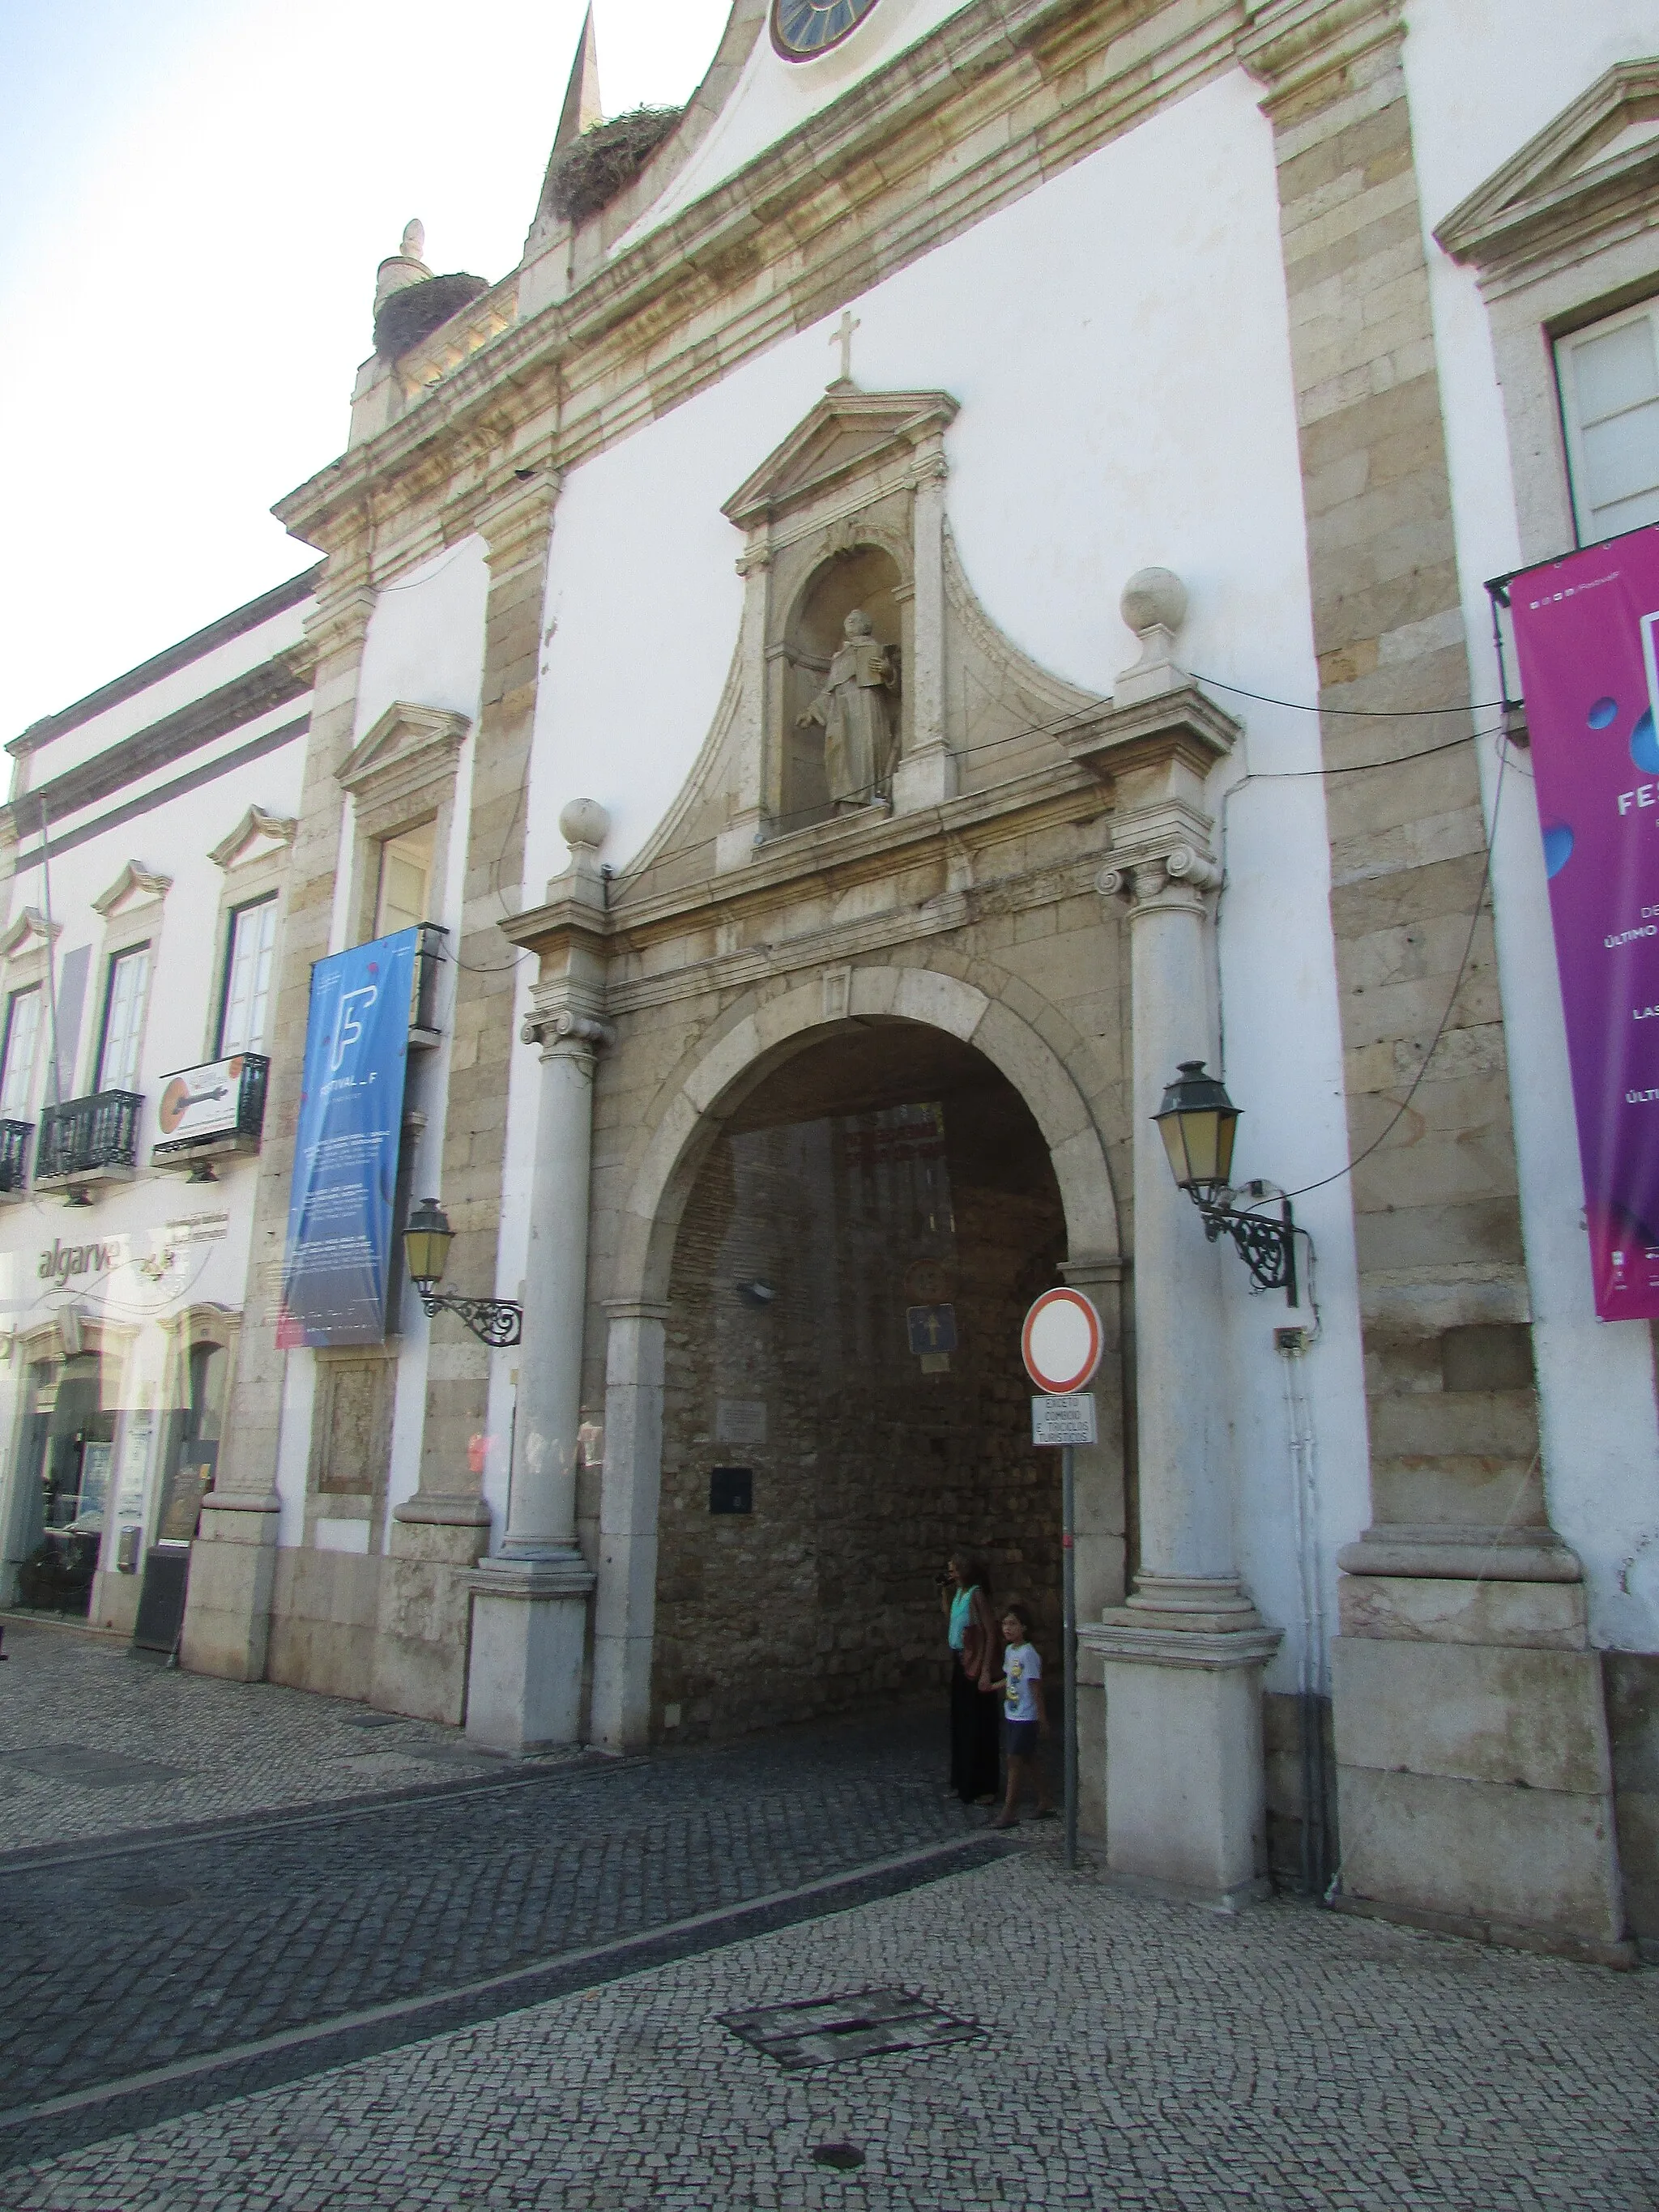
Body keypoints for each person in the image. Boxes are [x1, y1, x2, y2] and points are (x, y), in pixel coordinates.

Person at [940, 1550, 999, 1805]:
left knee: (979, 1723)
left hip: (975, 1662)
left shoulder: (976, 1594)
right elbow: (951, 1618)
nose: (950, 1573)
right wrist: (944, 1593)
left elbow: (989, 1630)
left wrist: (986, 1669)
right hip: (960, 1660)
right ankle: (962, 1780)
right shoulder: (960, 1594)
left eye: (953, 1569)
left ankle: (984, 1785)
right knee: (961, 1722)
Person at [991, 1600, 1055, 1829]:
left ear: (1024, 1627)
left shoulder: (1029, 1654)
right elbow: (1010, 1678)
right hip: (1013, 1713)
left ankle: (1009, 1810)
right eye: (1005, 1624)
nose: (1007, 1628)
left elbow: (1035, 1686)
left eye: (1013, 1624)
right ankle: (1045, 1799)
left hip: (1026, 1716)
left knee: (1014, 1760)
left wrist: (1042, 1717)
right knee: (1028, 1758)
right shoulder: (1010, 1651)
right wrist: (992, 1686)